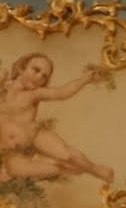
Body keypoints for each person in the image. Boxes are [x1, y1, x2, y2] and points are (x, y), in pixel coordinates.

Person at [0, 52, 112, 183]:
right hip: (13, 150)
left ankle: (95, 170)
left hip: (35, 136)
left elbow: (61, 93)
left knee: (67, 155)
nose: (38, 77)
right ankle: (51, 163)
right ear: (21, 68)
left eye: (44, 76)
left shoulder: (35, 93)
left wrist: (85, 80)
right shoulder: (2, 87)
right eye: (36, 70)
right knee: (24, 169)